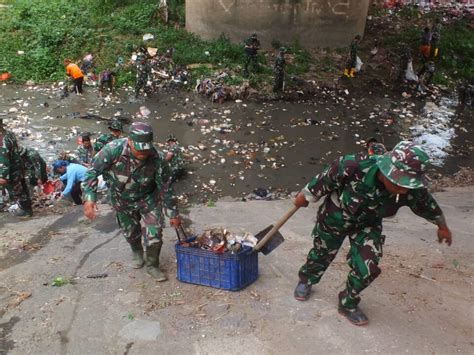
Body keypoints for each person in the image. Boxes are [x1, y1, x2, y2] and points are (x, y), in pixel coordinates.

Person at [293, 141, 453, 326]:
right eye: (399, 182)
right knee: (321, 252)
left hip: (367, 224)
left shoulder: (409, 189)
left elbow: (428, 206)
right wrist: (305, 196)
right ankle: (307, 279)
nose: (403, 189)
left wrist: (442, 226)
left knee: (367, 268)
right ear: (385, 170)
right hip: (336, 215)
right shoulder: (351, 165)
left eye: (408, 184)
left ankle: (347, 302)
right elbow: (323, 181)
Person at [82, 122, 181, 281]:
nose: (143, 153)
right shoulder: (112, 150)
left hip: (149, 198)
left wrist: (173, 214)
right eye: (139, 149)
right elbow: (92, 172)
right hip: (122, 199)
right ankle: (137, 252)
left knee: (155, 234)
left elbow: (166, 188)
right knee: (130, 233)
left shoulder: (158, 159)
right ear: (129, 141)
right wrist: (89, 199)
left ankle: (152, 265)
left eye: (146, 149)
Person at [0, 118, 33, 217]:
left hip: (11, 170)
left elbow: (4, 159)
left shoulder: (2, 140)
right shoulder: (9, 133)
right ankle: (27, 208)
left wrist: (3, 176)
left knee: (17, 190)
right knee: (22, 187)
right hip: (18, 165)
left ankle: (26, 211)